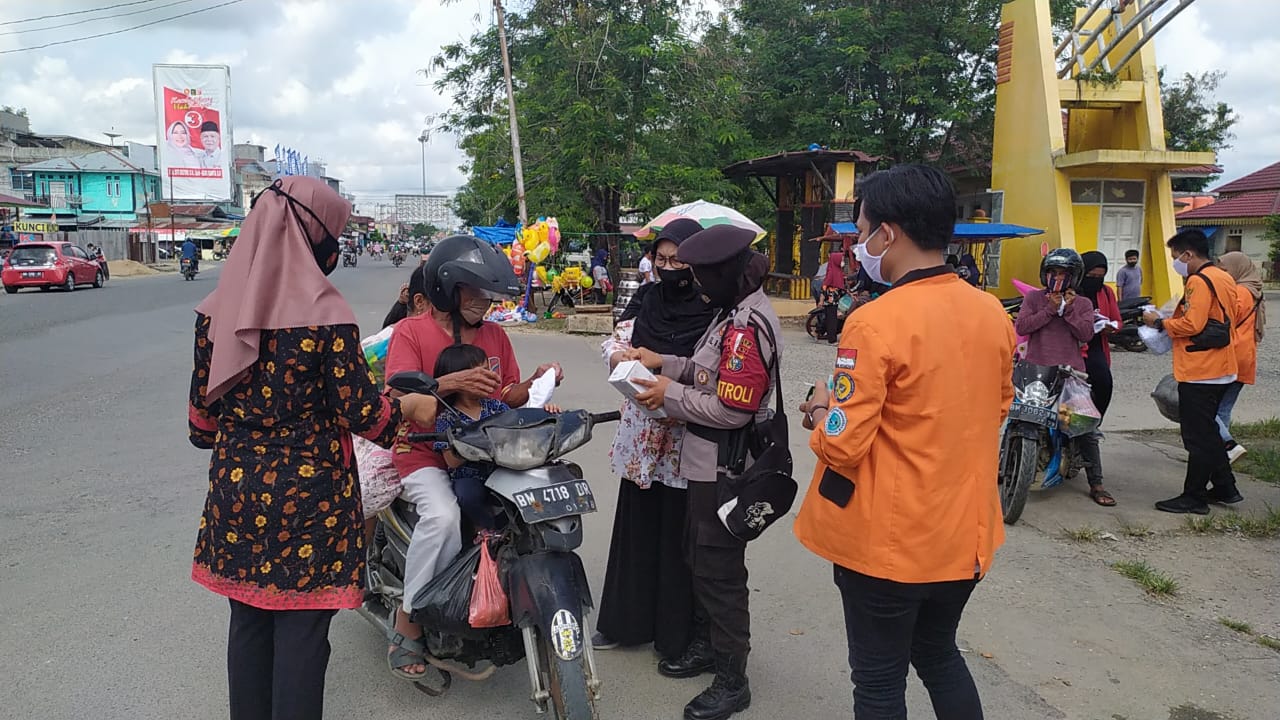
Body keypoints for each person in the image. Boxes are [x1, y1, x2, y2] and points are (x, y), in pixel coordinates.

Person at [187, 176, 440, 720]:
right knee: (303, 636)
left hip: (237, 502)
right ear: (313, 238)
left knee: (249, 627)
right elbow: (364, 414)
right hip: (311, 507)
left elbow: (202, 424)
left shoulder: (215, 313)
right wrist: (410, 411)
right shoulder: (326, 314)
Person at [795, 164, 1014, 720]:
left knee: (877, 683)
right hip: (964, 536)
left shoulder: (874, 322)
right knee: (938, 653)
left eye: (863, 229)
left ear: (887, 233)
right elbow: (1000, 406)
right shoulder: (992, 312)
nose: (860, 243)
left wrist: (822, 407)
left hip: (890, 545)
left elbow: (843, 443)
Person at [383, 234, 563, 679]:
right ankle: (408, 622)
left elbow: (508, 396)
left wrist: (538, 384)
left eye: (489, 295)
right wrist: (449, 382)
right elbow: (394, 395)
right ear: (448, 287)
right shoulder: (410, 331)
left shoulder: (497, 336)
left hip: (487, 450)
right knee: (444, 517)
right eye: (476, 292)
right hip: (423, 451)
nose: (485, 303)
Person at [626, 223, 782, 720]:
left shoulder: (746, 326)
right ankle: (711, 646)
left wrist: (665, 395)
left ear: (722, 274)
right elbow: (712, 374)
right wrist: (666, 363)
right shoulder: (732, 313)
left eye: (699, 275)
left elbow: (734, 408)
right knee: (699, 558)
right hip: (706, 462)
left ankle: (732, 680)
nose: (693, 284)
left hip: (726, 465)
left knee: (719, 572)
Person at [593, 218, 716, 674]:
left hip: (685, 436)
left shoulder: (712, 307)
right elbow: (617, 337)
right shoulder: (647, 298)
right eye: (661, 259)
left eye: (678, 260)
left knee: (678, 535)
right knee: (637, 529)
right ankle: (625, 623)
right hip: (642, 437)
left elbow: (709, 368)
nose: (669, 268)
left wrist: (670, 382)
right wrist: (618, 355)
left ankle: (675, 634)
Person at [1143, 229, 1241, 514]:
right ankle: (1225, 487)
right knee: (1208, 431)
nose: (1175, 263)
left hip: (1201, 369)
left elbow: (1193, 324)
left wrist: (1159, 323)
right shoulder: (1223, 276)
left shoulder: (1198, 281)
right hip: (1219, 364)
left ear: (1188, 254)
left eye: (1176, 257)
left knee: (1197, 436)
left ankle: (1194, 497)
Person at [1015, 248, 1112, 506]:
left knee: (1083, 428)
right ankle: (1009, 466)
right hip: (1035, 372)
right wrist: (1048, 309)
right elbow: (1022, 327)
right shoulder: (1034, 299)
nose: (1057, 278)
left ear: (1074, 277)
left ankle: (1097, 482)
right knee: (1018, 421)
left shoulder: (1082, 303)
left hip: (1070, 375)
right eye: (1052, 272)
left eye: (1063, 273)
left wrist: (1067, 310)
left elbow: (1086, 334)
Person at [1078, 251, 1121, 505]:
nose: (1096, 280)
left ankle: (1096, 482)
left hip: (1096, 350)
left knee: (1100, 392)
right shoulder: (1068, 292)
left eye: (1100, 276)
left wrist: (1109, 326)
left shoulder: (1106, 293)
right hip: (1073, 351)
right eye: (1091, 275)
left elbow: (1117, 320)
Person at [1215, 252, 1265, 464]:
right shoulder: (1255, 290)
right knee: (1223, 408)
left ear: (1237, 269)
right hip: (1246, 355)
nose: (1223, 274)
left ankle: (1227, 444)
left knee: (1203, 407)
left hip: (1231, 355)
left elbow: (1223, 318)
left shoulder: (1240, 292)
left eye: (1225, 270)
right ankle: (1221, 453)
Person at [818, 251, 847, 344]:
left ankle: (819, 332)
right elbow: (825, 285)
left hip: (835, 298)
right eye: (841, 259)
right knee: (832, 320)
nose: (842, 261)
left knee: (829, 318)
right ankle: (832, 340)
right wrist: (821, 299)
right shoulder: (832, 272)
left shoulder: (838, 271)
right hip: (831, 299)